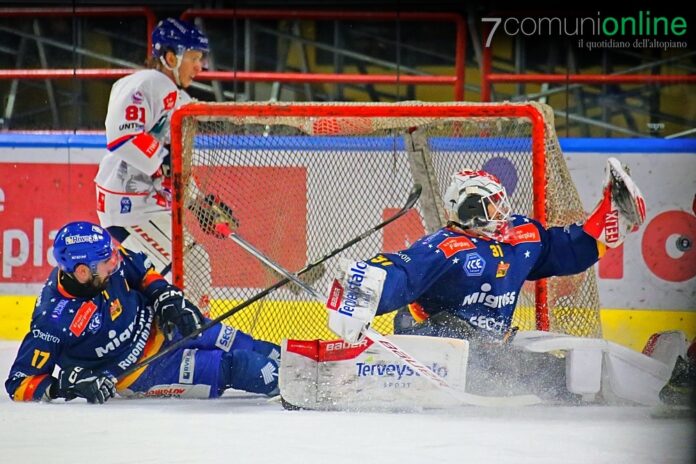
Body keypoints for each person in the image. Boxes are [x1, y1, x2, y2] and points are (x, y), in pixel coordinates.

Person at [324, 158, 648, 400]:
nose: (501, 210)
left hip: (492, 345)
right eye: (491, 204)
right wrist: (363, 288)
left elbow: (564, 251)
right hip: (432, 336)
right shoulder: (447, 246)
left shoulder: (521, 236)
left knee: (559, 376)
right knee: (480, 345)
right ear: (470, 209)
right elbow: (402, 271)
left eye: (499, 202)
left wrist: (610, 222)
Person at [5, 221, 280, 404]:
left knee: (247, 344)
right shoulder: (52, 319)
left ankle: (301, 362)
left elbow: (143, 274)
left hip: (164, 325)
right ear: (81, 272)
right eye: (105, 262)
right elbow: (20, 382)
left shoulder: (104, 259)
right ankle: (293, 385)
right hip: (145, 372)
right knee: (236, 366)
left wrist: (165, 297)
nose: (114, 262)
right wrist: (68, 383)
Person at [93, 18, 233, 310]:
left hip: (145, 203)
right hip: (129, 205)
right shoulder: (146, 82)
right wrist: (164, 159)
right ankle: (192, 334)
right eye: (194, 58)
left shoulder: (177, 97)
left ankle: (181, 332)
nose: (200, 67)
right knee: (189, 264)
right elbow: (122, 134)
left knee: (177, 268)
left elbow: (173, 160)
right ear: (171, 57)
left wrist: (198, 203)